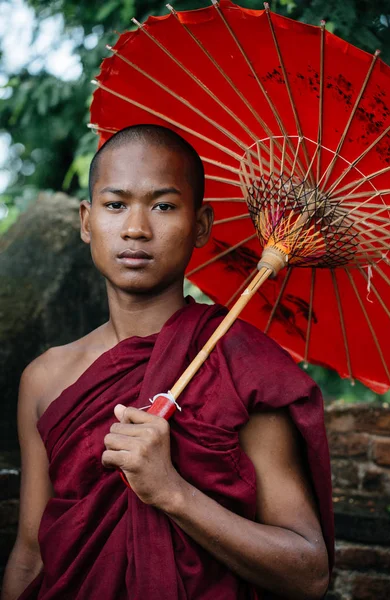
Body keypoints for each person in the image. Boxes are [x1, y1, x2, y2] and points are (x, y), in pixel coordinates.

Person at [2, 124, 334, 600]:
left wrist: (170, 491)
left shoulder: (241, 368)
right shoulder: (44, 379)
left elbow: (308, 572)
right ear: (85, 220)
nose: (136, 229)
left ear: (200, 225)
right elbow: (31, 554)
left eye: (163, 205)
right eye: (115, 205)